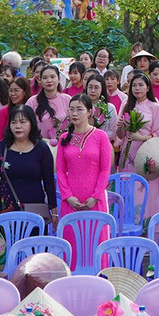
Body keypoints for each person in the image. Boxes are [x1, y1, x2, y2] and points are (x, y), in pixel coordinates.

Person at [55, 93, 113, 255]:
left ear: (90, 111)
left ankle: (98, 277)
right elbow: (60, 170)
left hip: (95, 199)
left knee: (97, 242)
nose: (74, 113)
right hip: (71, 201)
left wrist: (95, 195)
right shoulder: (64, 138)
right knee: (71, 242)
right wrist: (67, 196)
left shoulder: (100, 136)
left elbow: (105, 169)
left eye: (79, 109)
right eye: (71, 109)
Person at [0, 104, 57, 223]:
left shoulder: (41, 149)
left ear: (31, 123)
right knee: (8, 241)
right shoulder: (1, 148)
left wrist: (54, 212)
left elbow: (49, 182)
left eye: (23, 122)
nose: (18, 126)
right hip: (6, 207)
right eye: (13, 122)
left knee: (33, 241)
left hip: (35, 207)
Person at [118, 70, 159, 218]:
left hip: (146, 154)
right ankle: (127, 223)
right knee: (128, 189)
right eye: (134, 85)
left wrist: (142, 137)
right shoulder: (126, 105)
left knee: (146, 190)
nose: (137, 88)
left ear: (147, 87)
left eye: (140, 85)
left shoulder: (154, 107)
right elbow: (120, 135)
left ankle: (146, 226)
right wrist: (120, 126)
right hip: (128, 154)